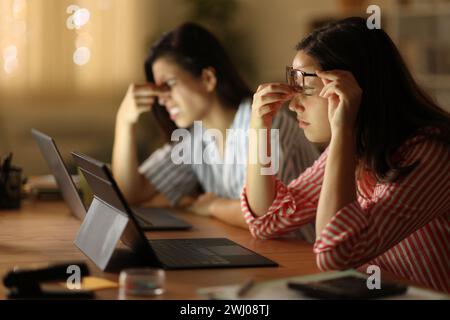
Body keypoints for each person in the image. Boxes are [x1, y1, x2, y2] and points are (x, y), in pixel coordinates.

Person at [242, 17, 450, 293]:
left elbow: (335, 253)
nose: (294, 105)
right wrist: (259, 128)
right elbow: (267, 220)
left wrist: (343, 129)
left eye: (306, 88)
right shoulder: (360, 146)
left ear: (351, 90)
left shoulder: (430, 151)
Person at [112, 22, 319, 237]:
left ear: (208, 79)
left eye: (169, 85)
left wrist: (213, 206)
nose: (162, 100)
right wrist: (124, 121)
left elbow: (267, 216)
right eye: (158, 91)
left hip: (303, 255)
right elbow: (131, 194)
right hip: (261, 252)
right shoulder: (196, 138)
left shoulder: (267, 123)